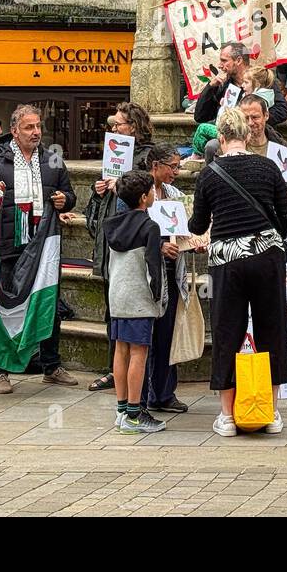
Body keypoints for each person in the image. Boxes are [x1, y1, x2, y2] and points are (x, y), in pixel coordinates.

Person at [187, 105, 287, 437]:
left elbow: (198, 224)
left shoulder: (209, 173)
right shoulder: (268, 167)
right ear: (248, 134)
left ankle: (228, 417)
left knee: (227, 333)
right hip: (266, 258)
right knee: (271, 330)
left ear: (220, 137)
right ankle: (271, 412)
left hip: (228, 262)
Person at [0, 104, 78, 393]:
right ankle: (0, 370)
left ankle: (51, 365)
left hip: (43, 244)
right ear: (14, 131)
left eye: (39, 126)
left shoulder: (53, 159)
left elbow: (71, 195)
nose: (36, 132)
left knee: (48, 304)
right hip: (8, 244)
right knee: (5, 305)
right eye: (29, 127)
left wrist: (63, 200)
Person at [86, 103, 156, 391]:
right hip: (110, 243)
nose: (114, 129)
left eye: (119, 124)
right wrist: (98, 189)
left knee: (134, 314)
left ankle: (137, 375)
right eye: (112, 125)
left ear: (135, 126)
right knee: (111, 311)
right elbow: (98, 208)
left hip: (134, 248)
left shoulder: (148, 155)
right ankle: (113, 370)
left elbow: (149, 192)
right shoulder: (112, 154)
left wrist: (122, 184)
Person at [102, 170, 172, 433]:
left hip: (117, 295)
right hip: (139, 298)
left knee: (121, 350)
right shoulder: (150, 226)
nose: (154, 194)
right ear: (144, 197)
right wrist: (157, 298)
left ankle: (121, 411)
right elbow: (154, 267)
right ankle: (134, 414)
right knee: (139, 354)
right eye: (152, 191)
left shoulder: (111, 223)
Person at [140, 143, 193, 414]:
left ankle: (165, 391)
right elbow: (131, 230)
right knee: (148, 334)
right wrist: (159, 247)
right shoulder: (141, 191)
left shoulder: (174, 194)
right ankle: (146, 393)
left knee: (168, 333)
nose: (176, 171)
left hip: (173, 271)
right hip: (148, 274)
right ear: (155, 166)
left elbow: (184, 229)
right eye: (172, 167)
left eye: (177, 166)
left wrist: (193, 240)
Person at [194, 41, 287, 128]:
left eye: (224, 61)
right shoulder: (223, 85)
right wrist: (210, 87)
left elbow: (282, 111)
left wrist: (250, 119)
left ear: (239, 60)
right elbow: (200, 116)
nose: (219, 65)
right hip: (227, 138)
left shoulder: (261, 79)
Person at [204, 93, 287, 172]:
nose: (250, 123)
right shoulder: (220, 146)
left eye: (255, 117)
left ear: (266, 115)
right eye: (245, 118)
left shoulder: (281, 146)